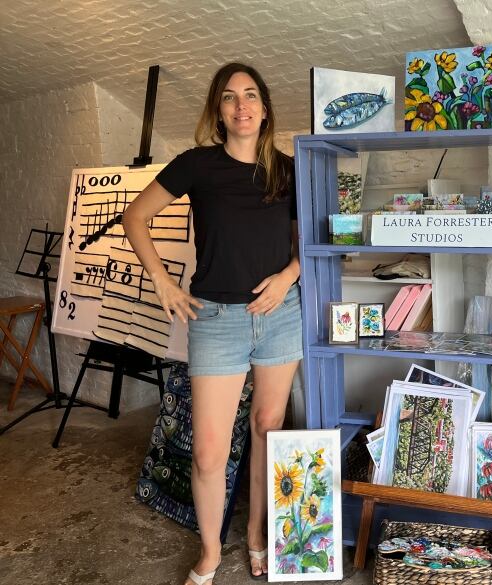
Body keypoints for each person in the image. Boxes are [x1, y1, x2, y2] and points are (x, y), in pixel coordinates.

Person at [124, 62, 301, 584]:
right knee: (207, 451)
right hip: (216, 320)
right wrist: (162, 282)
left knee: (268, 430)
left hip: (278, 317)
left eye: (250, 95)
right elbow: (135, 217)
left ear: (265, 107)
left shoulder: (289, 170)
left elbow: (310, 245)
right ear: (218, 110)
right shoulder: (196, 164)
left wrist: (289, 275)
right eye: (229, 98)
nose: (241, 105)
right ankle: (209, 552)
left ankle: (254, 537)